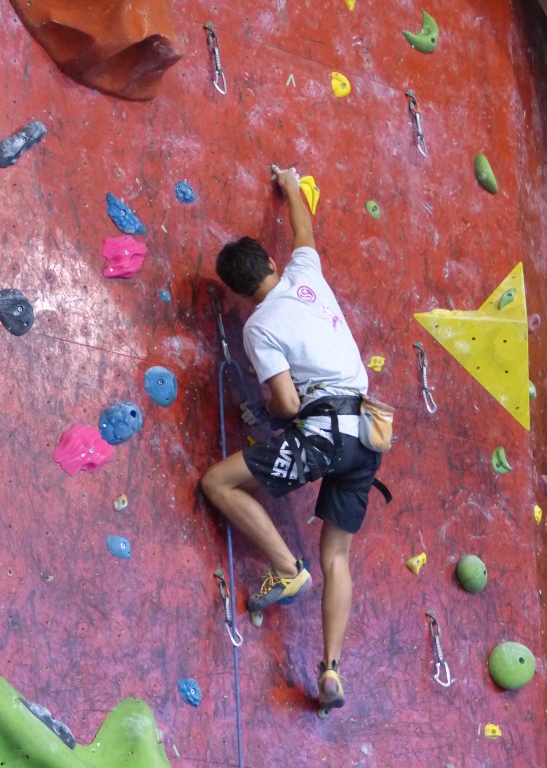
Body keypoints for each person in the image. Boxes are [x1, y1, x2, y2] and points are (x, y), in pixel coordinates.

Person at [201, 165, 385, 711]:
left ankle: (286, 569)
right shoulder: (306, 272)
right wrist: (288, 182)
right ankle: (331, 669)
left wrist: (263, 412)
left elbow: (285, 403)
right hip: (369, 432)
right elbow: (304, 229)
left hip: (325, 432)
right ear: (272, 262)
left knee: (218, 483)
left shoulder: (259, 326)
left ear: (238, 293)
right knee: (338, 556)